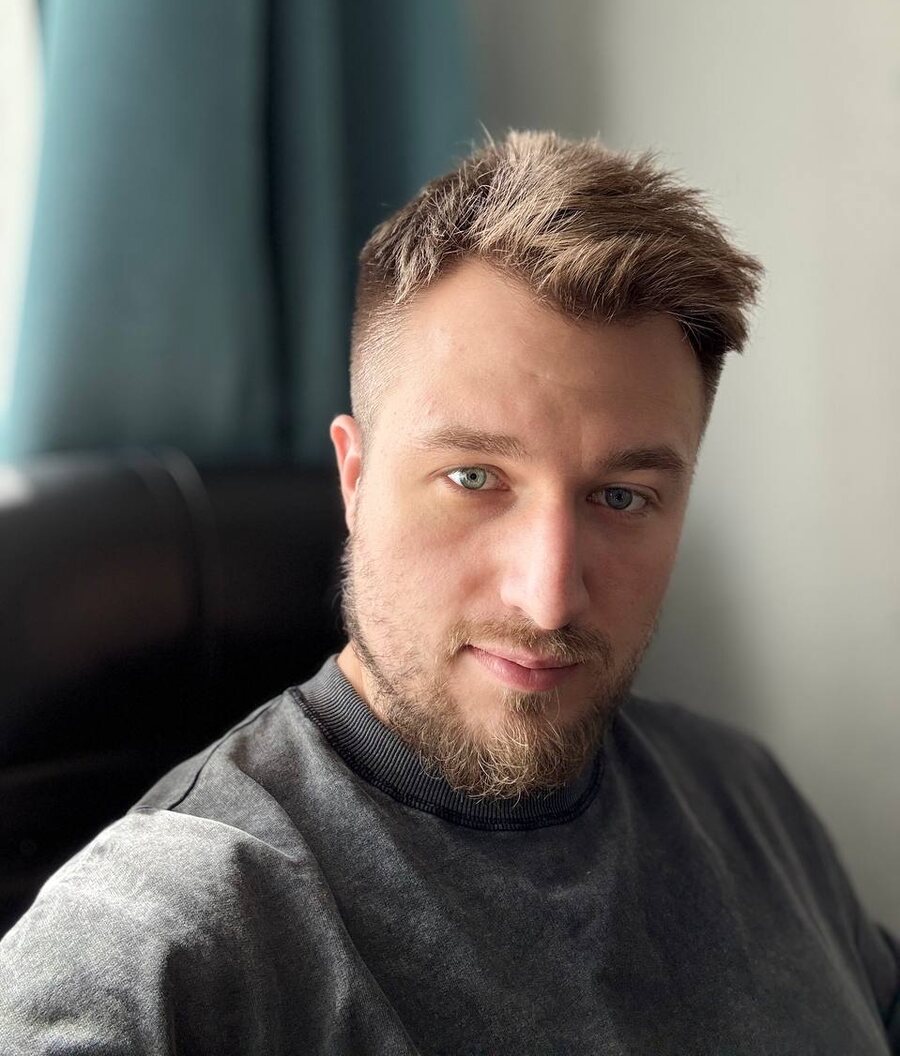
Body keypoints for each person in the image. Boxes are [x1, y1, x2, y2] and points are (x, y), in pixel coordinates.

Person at [1, 131, 897, 1054]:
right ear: (354, 478)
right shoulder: (172, 932)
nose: (549, 599)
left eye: (622, 497)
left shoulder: (745, 799)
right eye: (474, 478)